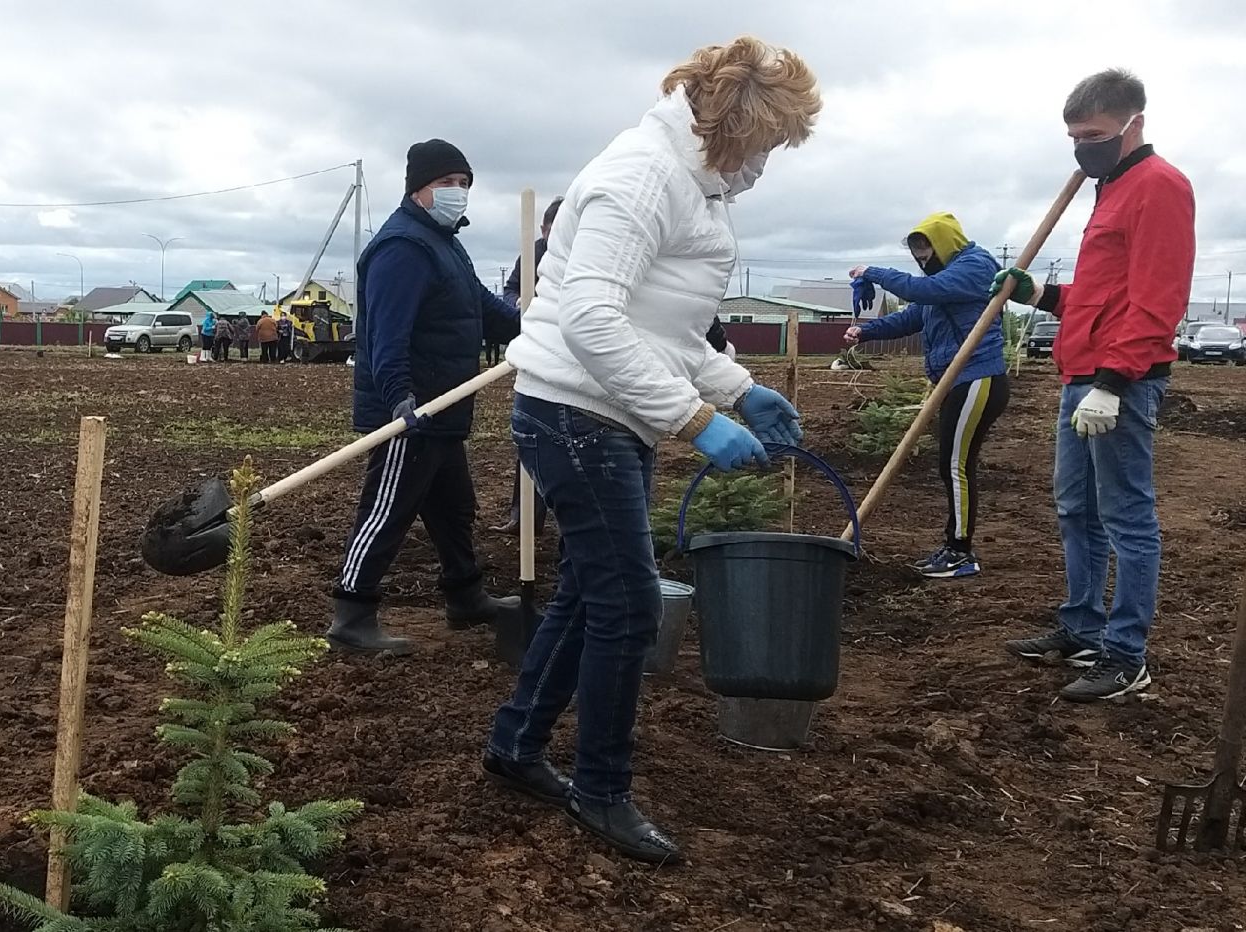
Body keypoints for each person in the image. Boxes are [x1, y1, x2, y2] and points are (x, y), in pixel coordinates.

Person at [485, 36, 816, 864]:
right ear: (735, 124)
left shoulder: (697, 188)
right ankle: (601, 789)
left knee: (589, 597)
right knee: (629, 607)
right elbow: (593, 321)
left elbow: (657, 328)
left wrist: (736, 386)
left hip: (608, 413)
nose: (767, 164)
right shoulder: (643, 177)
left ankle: (517, 745)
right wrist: (696, 421)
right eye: (768, 143)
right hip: (573, 413)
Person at [994, 69, 1194, 702]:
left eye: (1096, 134)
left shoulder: (1160, 187)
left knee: (1127, 516)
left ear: (1134, 123)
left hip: (1120, 384)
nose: (1084, 147)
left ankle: (1126, 653)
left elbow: (1158, 298)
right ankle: (1082, 626)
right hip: (1080, 374)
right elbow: (1106, 294)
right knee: (1076, 510)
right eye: (1075, 137)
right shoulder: (1109, 188)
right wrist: (1043, 294)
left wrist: (1114, 380)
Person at [329, 138, 525, 654]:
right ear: (418, 189)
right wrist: (399, 399)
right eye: (447, 183)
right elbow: (385, 337)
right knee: (386, 510)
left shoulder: (444, 242)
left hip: (444, 406)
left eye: (464, 184)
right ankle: (352, 613)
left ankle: (465, 596)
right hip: (412, 411)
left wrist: (534, 328)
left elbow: (480, 308)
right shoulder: (403, 248)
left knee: (453, 508)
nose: (457, 192)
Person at [844, 212, 1007, 579]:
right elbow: (912, 315)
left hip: (977, 377)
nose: (921, 259)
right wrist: (866, 332)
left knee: (955, 465)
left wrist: (874, 272)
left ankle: (961, 553)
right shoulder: (943, 280)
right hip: (956, 381)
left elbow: (921, 291)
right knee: (952, 464)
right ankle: (954, 547)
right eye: (916, 252)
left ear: (944, 242)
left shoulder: (974, 267)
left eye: (925, 249)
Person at [491, 195, 564, 535]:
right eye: (550, 233)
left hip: (576, 362)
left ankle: (567, 520)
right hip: (537, 356)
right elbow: (509, 290)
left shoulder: (593, 252)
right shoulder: (533, 251)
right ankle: (524, 518)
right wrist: (517, 302)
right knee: (530, 439)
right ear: (543, 229)